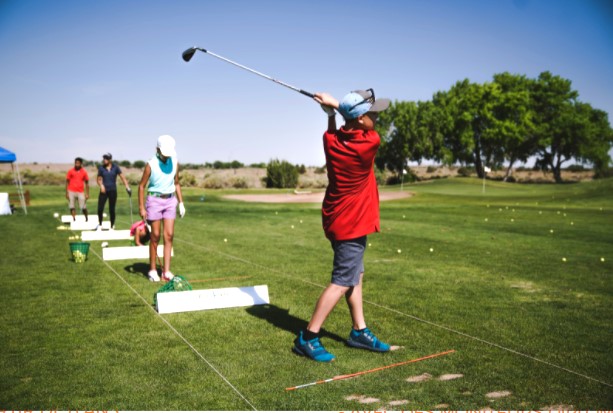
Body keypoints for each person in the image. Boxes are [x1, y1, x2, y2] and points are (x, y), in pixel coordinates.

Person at [293, 89, 392, 362]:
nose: (375, 118)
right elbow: (359, 127)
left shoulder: (331, 140)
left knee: (354, 276)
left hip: (338, 219)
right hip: (352, 223)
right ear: (359, 119)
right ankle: (308, 336)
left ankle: (359, 330)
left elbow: (334, 132)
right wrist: (334, 105)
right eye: (371, 114)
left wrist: (330, 116)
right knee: (341, 281)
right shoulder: (368, 143)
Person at [138, 135, 185, 282]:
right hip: (154, 201)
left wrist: (181, 202)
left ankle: (166, 271)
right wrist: (142, 208)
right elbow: (141, 186)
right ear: (157, 149)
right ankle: (152, 270)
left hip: (170, 200)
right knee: (155, 235)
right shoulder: (150, 164)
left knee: (169, 235)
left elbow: (176, 183)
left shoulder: (175, 162)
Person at [97, 153, 131, 230]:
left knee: (112, 209)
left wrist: (127, 187)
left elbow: (123, 177)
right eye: (104, 158)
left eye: (106, 158)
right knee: (100, 208)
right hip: (103, 191)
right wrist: (101, 185)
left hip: (112, 191)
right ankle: (100, 224)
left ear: (110, 160)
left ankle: (112, 225)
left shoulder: (116, 168)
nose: (104, 160)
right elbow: (98, 179)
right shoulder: (101, 168)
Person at [65, 157, 90, 221]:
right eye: (76, 163)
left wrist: (87, 194)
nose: (76, 164)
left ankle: (86, 218)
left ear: (81, 163)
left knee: (83, 207)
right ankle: (74, 219)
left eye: (78, 163)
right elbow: (67, 182)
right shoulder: (70, 171)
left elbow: (87, 183)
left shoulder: (84, 172)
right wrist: (67, 193)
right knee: (72, 206)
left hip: (80, 191)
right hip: (71, 191)